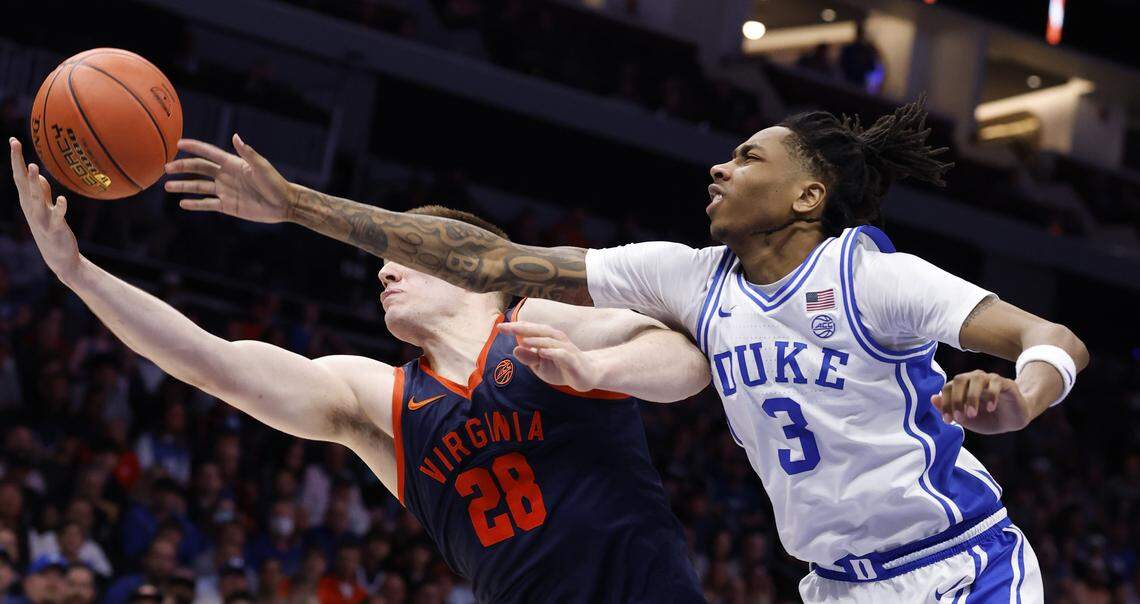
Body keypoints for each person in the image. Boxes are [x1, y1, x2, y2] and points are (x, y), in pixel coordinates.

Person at [163, 98, 1089, 602]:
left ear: (810, 196)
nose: (720, 167)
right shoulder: (685, 276)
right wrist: (300, 208)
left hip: (958, 566)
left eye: (749, 156)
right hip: (834, 587)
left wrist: (1025, 398)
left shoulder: (870, 279)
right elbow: (489, 258)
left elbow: (1052, 337)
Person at [9, 138, 708, 603]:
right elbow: (209, 364)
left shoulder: (543, 326)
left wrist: (597, 367)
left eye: (400, 255)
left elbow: (686, 363)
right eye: (381, 261)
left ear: (461, 265)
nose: (381, 270)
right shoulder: (381, 396)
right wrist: (77, 273)